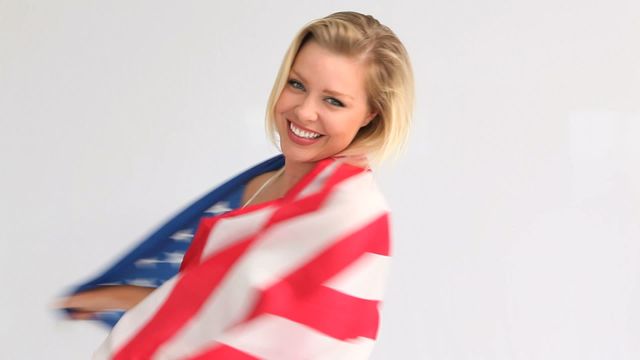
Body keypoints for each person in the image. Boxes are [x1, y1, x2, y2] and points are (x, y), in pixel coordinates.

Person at [55, 10, 414, 359]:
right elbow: (209, 310)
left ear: (370, 114)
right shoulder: (260, 182)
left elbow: (280, 342)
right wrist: (111, 297)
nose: (304, 111)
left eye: (333, 101)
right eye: (297, 84)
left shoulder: (350, 216)